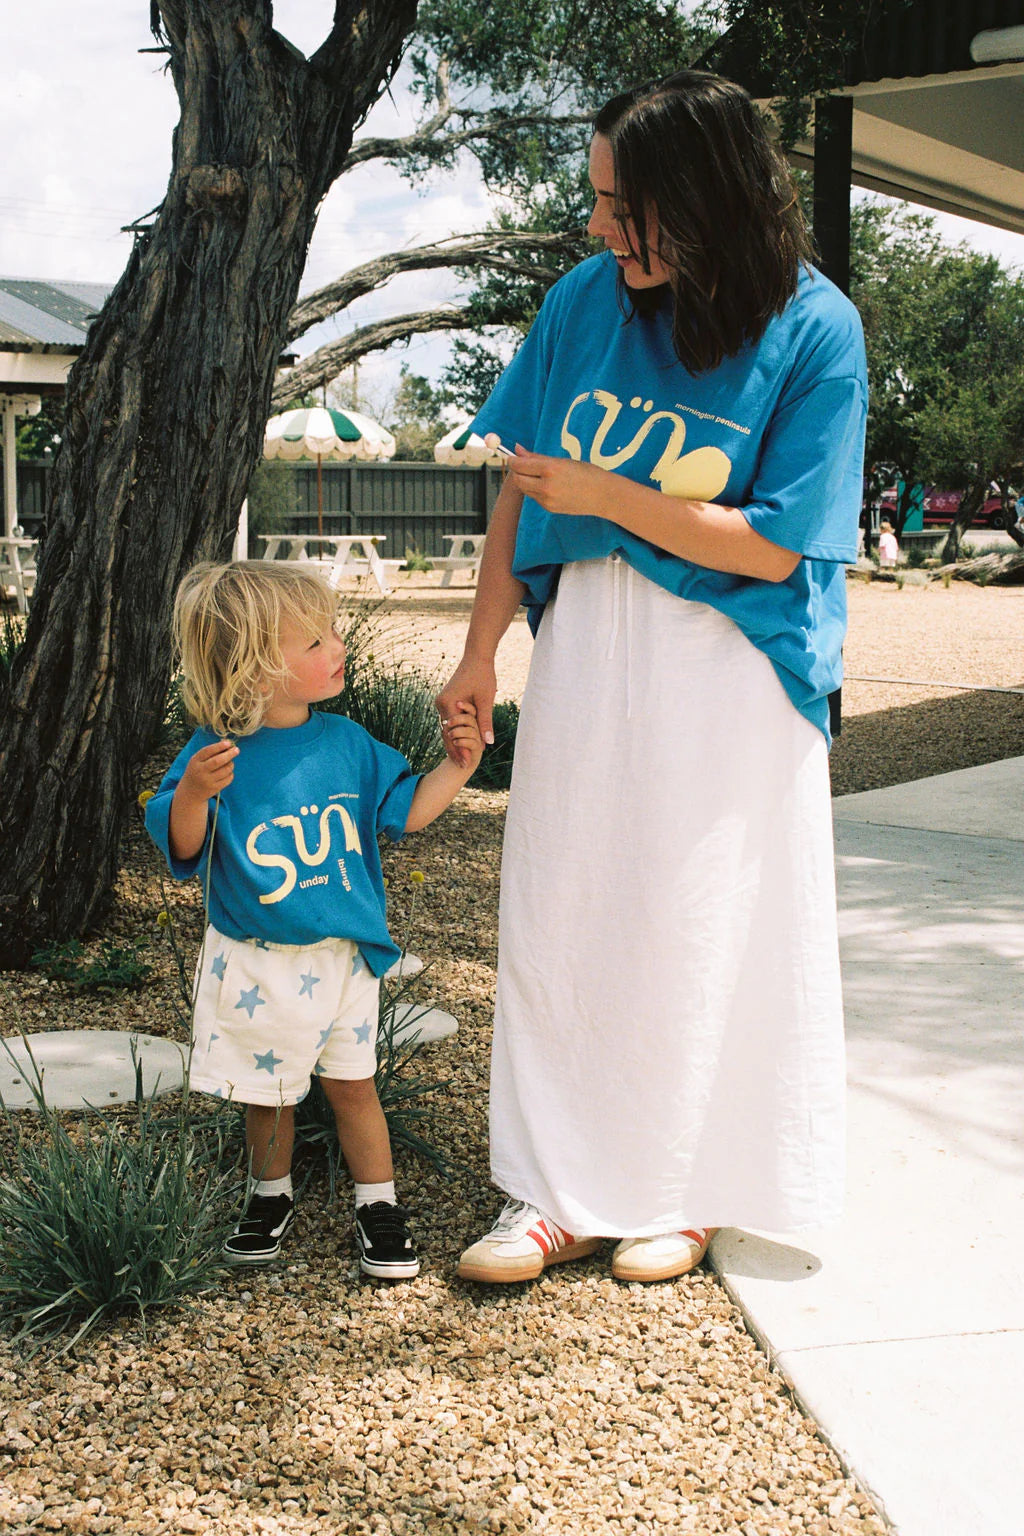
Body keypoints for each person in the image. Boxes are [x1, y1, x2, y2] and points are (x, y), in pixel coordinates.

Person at [436, 69, 868, 1285]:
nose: (593, 226)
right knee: (562, 906)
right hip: (590, 649)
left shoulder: (814, 327)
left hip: (736, 664)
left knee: (704, 917)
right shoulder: (581, 303)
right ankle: (552, 1189)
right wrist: (478, 654)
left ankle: (683, 1186)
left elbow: (779, 543)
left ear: (702, 198)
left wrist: (615, 498)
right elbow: (522, 496)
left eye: (615, 202)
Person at [146, 561, 483, 1276]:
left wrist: (456, 768)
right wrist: (194, 795)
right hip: (259, 962)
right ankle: (270, 1195)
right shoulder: (216, 754)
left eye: (333, 632)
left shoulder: (348, 743)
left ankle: (379, 1204)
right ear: (254, 667)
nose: (339, 647)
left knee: (355, 1087)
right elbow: (183, 846)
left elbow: (407, 812)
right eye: (314, 643)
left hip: (345, 960)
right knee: (267, 1097)